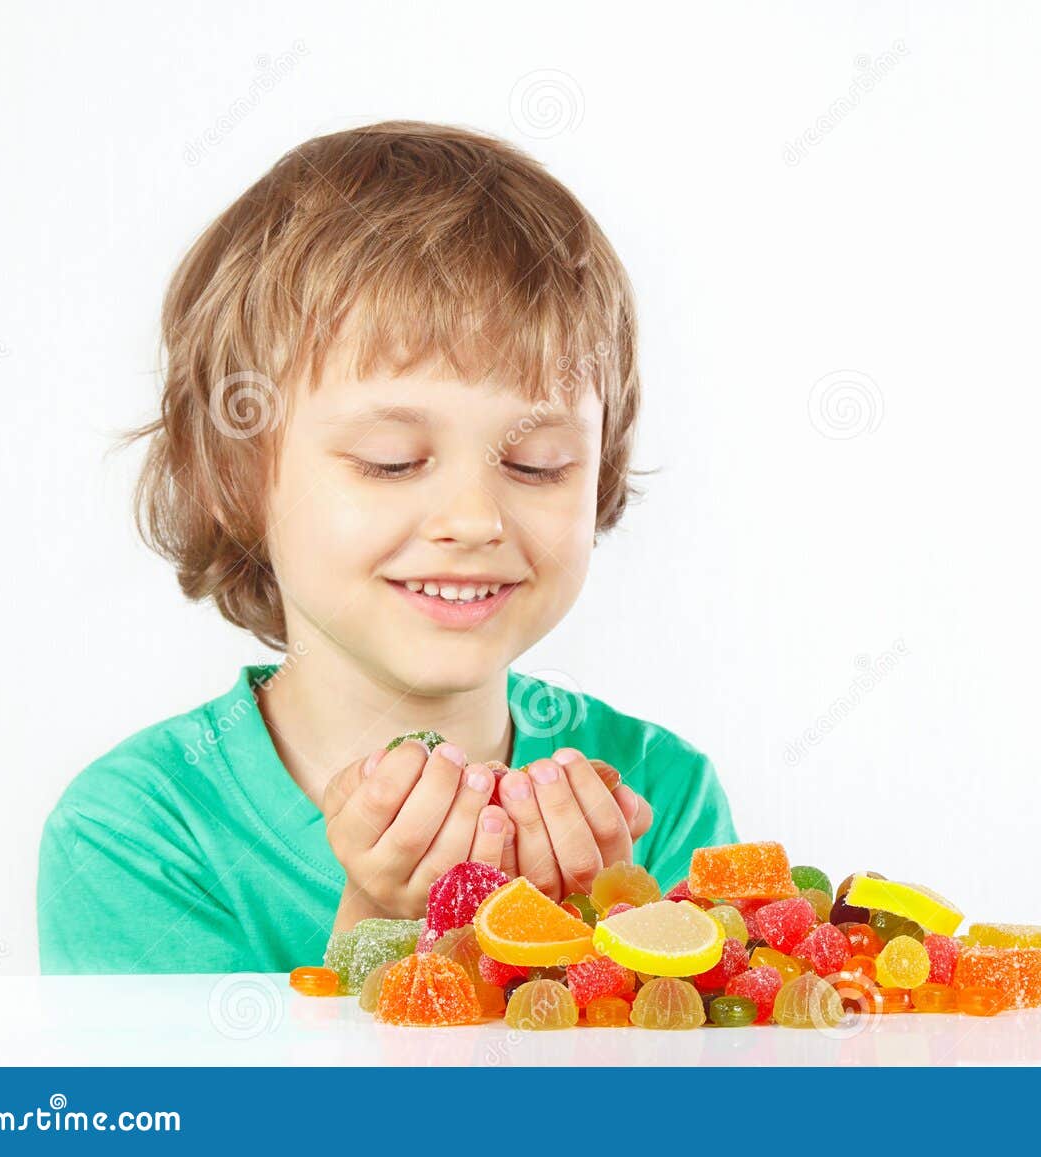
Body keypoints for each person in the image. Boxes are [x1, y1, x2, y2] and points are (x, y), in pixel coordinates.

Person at [37, 122, 737, 973]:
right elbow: (205, 1115)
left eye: (536, 463)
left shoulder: (663, 796)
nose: (475, 519)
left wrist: (616, 956)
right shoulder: (136, 835)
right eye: (391, 461)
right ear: (235, 475)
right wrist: (383, 929)